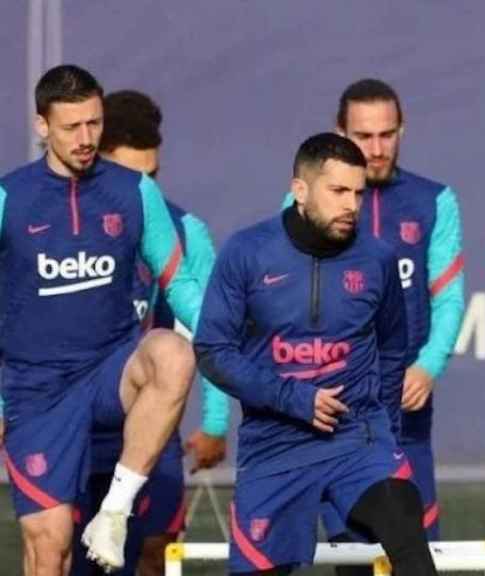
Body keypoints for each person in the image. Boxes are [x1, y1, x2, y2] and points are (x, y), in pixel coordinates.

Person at [194, 133, 438, 575]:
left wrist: (384, 435)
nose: (351, 205)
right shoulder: (246, 252)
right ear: (300, 190)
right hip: (274, 448)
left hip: (356, 441)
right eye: (339, 191)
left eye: (358, 193)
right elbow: (212, 350)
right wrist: (294, 398)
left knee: (404, 515)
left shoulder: (377, 258)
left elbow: (391, 350)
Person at [0, 64, 204, 575]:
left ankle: (113, 512)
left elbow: (179, 284)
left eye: (94, 124)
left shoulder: (135, 191)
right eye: (72, 127)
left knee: (173, 352)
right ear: (42, 125)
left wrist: (230, 343)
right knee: (50, 550)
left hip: (111, 378)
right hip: (37, 392)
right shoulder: (9, 199)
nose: (87, 138)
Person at [284, 79, 465, 557]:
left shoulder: (434, 201)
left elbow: (448, 298)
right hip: (339, 408)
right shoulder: (303, 205)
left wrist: (429, 365)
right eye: (364, 137)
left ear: (402, 130)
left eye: (388, 134)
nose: (377, 149)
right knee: (354, 553)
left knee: (417, 551)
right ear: (339, 132)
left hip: (407, 410)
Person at [66, 89, 230, 576]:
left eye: (153, 176)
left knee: (154, 550)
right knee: (64, 557)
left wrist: (217, 422)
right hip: (71, 427)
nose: (145, 192)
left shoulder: (185, 231)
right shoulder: (62, 224)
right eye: (132, 177)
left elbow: (211, 327)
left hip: (147, 427)